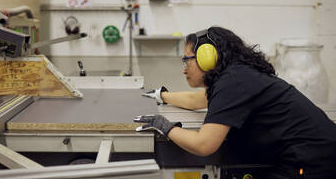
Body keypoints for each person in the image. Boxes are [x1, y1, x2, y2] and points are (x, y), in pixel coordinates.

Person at [134, 26, 336, 179]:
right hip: (315, 154)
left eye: (187, 60)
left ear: (207, 58)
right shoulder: (237, 76)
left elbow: (204, 145)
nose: (184, 68)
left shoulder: (233, 81)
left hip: (311, 163)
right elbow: (198, 100)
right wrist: (162, 95)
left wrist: (164, 127)